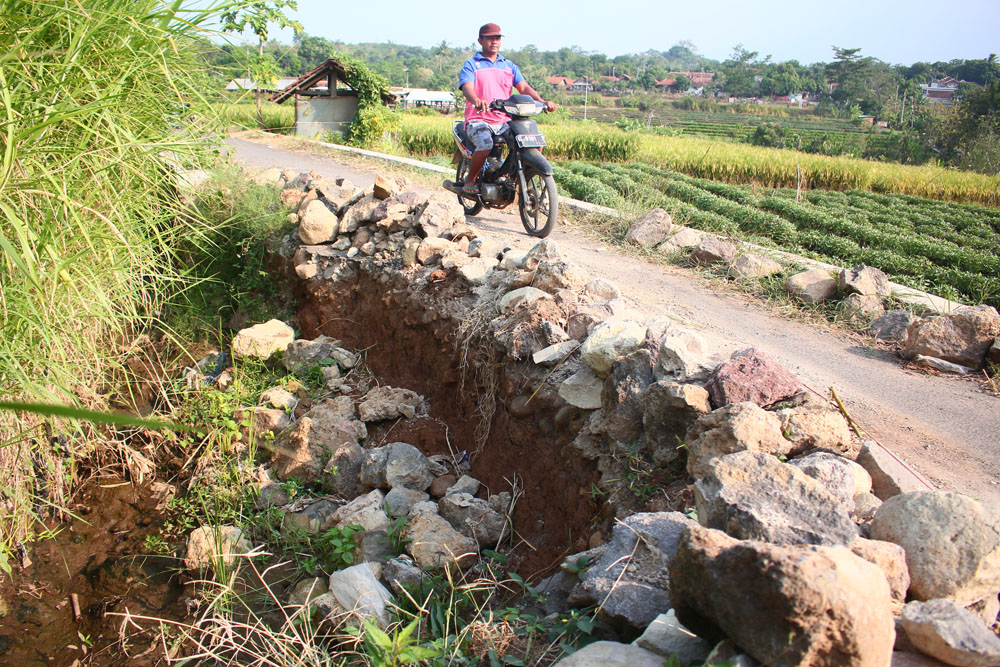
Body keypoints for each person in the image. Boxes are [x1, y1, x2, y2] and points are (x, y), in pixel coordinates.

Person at [458, 23, 557, 194]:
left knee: (534, 140)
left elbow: (524, 88)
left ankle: (519, 179)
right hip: (480, 118)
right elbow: (467, 87)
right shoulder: (472, 64)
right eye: (489, 38)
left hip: (505, 120)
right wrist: (476, 100)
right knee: (485, 144)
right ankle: (471, 179)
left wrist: (542, 101)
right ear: (480, 40)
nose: (494, 41)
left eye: (497, 38)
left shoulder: (508, 65)